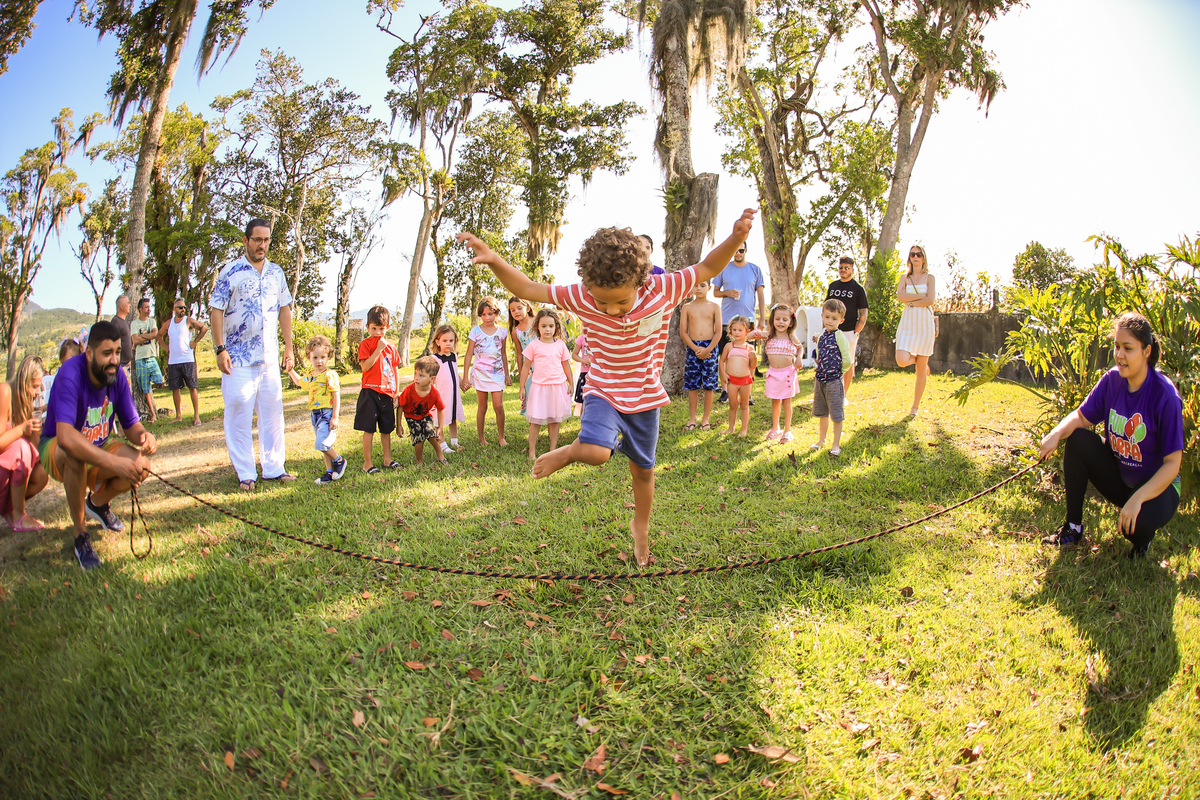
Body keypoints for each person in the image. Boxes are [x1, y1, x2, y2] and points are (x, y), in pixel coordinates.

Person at [458, 208, 757, 566]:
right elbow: (526, 287)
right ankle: (568, 451)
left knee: (643, 471)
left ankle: (641, 527)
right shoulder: (581, 295)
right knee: (598, 452)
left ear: (641, 281)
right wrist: (493, 260)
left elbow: (707, 267)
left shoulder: (663, 288)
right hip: (603, 388)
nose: (611, 310)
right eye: (602, 301)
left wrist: (736, 237)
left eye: (621, 300)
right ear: (588, 288)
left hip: (645, 396)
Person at [1038, 312, 1184, 559]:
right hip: (1121, 476)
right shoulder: (1112, 381)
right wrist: (1055, 434)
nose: (1119, 355)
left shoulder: (1165, 396)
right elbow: (1081, 417)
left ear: (1146, 351)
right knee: (1077, 438)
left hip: (1158, 487)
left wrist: (1138, 498)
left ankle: (1142, 542)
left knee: (1136, 527)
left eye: (1128, 348)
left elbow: (1172, 464)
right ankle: (1072, 528)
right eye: (1117, 346)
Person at [39, 321, 157, 570]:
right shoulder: (70, 374)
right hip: (56, 449)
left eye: (117, 351)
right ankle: (80, 535)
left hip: (99, 445)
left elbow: (131, 425)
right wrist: (115, 463)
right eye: (107, 353)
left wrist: (145, 436)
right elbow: (66, 438)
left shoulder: (118, 377)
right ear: (89, 353)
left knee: (141, 466)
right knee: (75, 452)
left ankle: (97, 503)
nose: (114, 360)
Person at [210, 218, 295, 491]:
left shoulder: (276, 273)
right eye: (257, 239)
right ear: (246, 240)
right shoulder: (229, 272)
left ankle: (274, 468)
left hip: (269, 357)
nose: (262, 245)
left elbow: (284, 310)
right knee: (238, 414)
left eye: (266, 240)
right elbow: (216, 310)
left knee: (272, 415)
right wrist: (220, 348)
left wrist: (289, 348)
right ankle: (246, 472)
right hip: (237, 358)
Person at [286, 335, 346, 485]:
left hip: (326, 413)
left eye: (323, 357)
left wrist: (335, 416)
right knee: (325, 445)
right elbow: (300, 382)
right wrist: (290, 371)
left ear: (328, 357)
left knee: (322, 444)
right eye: (315, 357)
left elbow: (336, 394)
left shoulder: (329, 374)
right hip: (315, 415)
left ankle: (339, 460)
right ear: (309, 357)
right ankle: (329, 472)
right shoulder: (311, 376)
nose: (319, 361)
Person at [712, 242, 765, 402]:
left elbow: (761, 296)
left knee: (748, 356)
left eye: (741, 250)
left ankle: (747, 392)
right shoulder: (723, 268)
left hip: (748, 319)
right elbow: (715, 292)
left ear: (745, 251)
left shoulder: (755, 269)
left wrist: (762, 318)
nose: (738, 253)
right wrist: (727, 292)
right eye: (735, 250)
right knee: (725, 355)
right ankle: (725, 390)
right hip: (727, 320)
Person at [0, 356, 49, 530]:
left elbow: (34, 451)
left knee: (42, 473)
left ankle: (10, 510)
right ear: (23, 381)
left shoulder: (25, 404)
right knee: (22, 447)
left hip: (5, 477)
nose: (38, 392)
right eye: (35, 386)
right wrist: (22, 429)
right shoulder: (5, 391)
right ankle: (19, 516)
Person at [518, 309, 574, 461]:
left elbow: (566, 365)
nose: (547, 329)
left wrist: (571, 383)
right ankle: (532, 451)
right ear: (537, 327)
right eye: (544, 326)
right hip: (539, 388)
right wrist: (522, 387)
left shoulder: (560, 345)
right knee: (535, 420)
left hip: (558, 386)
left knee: (555, 419)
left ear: (556, 327)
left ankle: (552, 450)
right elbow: (525, 367)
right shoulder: (534, 345)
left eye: (550, 326)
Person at [355, 305, 401, 473]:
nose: (377, 332)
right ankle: (367, 463)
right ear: (368, 327)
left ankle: (387, 460)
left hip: (387, 393)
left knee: (387, 428)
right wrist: (378, 350)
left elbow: (395, 368)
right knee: (369, 428)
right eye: (374, 328)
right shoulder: (365, 345)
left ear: (387, 327)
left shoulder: (391, 347)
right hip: (370, 392)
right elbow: (365, 367)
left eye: (381, 329)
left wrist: (396, 392)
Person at [894, 244, 937, 417]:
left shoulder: (930, 277)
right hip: (908, 322)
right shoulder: (905, 277)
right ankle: (920, 361)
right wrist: (920, 297)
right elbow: (900, 297)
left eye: (919, 254)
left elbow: (931, 300)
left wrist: (910, 301)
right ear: (909, 257)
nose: (916, 257)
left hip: (925, 323)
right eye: (913, 254)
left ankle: (915, 406)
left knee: (920, 371)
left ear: (924, 257)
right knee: (901, 359)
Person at [462, 297, 509, 447]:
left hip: (497, 374)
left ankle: (501, 437)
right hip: (480, 373)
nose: (487, 318)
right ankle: (481, 438)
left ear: (496, 313)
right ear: (480, 316)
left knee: (498, 406)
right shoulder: (475, 331)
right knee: (482, 407)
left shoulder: (502, 331)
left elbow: (503, 354)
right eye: (483, 315)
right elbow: (469, 354)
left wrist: (507, 374)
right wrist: (465, 377)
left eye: (490, 314)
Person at [810, 299, 853, 456]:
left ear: (841, 320)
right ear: (822, 316)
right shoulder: (822, 335)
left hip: (834, 381)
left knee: (836, 414)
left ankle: (836, 444)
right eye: (827, 317)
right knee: (822, 413)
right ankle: (821, 440)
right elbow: (819, 354)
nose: (830, 321)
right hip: (820, 379)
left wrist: (838, 372)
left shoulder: (839, 336)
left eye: (834, 318)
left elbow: (847, 359)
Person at [157, 298, 207, 426]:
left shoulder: (188, 321)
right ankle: (178, 415)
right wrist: (165, 347)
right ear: (174, 309)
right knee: (175, 388)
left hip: (187, 360)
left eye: (184, 307)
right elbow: (159, 335)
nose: (182, 309)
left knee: (192, 387)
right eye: (180, 307)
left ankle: (197, 416)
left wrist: (195, 341)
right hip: (173, 361)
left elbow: (204, 328)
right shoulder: (169, 323)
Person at [680, 279, 721, 432]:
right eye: (696, 285)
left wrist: (707, 349)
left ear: (709, 288)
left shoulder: (715, 307)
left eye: (702, 285)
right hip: (693, 348)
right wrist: (695, 348)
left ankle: (705, 419)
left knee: (709, 386)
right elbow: (683, 332)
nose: (699, 288)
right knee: (693, 385)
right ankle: (692, 419)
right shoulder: (687, 307)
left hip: (710, 349)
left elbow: (718, 332)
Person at [825, 256, 868, 401]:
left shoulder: (858, 288)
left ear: (852, 269)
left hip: (849, 331)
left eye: (846, 267)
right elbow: (826, 308)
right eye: (841, 267)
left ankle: (843, 395)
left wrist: (856, 332)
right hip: (832, 330)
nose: (843, 270)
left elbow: (863, 312)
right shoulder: (833, 286)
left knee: (848, 362)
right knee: (830, 361)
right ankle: (830, 393)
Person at [762, 303, 804, 442]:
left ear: (791, 322)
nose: (781, 322)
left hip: (788, 374)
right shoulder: (769, 336)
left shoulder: (791, 337)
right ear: (772, 320)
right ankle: (775, 428)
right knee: (775, 401)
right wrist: (758, 333)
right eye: (777, 319)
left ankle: (787, 430)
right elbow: (750, 335)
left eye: (785, 319)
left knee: (787, 402)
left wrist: (798, 358)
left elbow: (800, 348)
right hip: (774, 374)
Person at [396, 356, 448, 466]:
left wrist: (440, 428)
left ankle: (440, 455)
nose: (416, 378)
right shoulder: (409, 390)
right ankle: (419, 460)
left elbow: (440, 409)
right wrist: (399, 424)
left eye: (421, 375)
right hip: (411, 416)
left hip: (426, 414)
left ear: (432, 379)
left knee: (430, 432)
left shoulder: (434, 393)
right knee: (418, 437)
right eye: (415, 374)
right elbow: (400, 406)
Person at [430, 324, 466, 454]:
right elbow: (431, 377)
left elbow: (455, 373)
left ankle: (454, 440)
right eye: (444, 341)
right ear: (437, 342)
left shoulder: (454, 356)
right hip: (441, 393)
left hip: (454, 393)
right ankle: (442, 444)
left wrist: (462, 383)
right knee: (440, 418)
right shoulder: (435, 359)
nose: (448, 344)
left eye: (451, 341)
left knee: (453, 416)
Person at [719, 316, 757, 437]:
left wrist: (754, 358)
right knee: (733, 405)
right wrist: (723, 375)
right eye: (734, 329)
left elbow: (752, 367)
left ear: (747, 331)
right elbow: (722, 361)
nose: (737, 332)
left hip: (745, 381)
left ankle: (744, 429)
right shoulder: (729, 346)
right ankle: (731, 428)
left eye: (740, 330)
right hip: (732, 381)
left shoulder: (750, 348)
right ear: (730, 330)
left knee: (744, 405)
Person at [130, 298, 164, 422]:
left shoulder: (152, 321)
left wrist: (142, 336)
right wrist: (145, 336)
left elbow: (155, 334)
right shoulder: (135, 324)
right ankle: (152, 413)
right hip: (140, 358)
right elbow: (135, 340)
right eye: (146, 307)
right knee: (145, 388)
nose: (148, 309)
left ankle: (156, 409)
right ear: (140, 309)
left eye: (149, 307)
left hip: (151, 357)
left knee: (159, 379)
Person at [508, 296, 536, 414]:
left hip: (544, 365)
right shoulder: (516, 331)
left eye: (519, 308)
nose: (516, 312)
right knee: (532, 398)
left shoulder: (538, 322)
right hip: (528, 369)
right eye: (513, 310)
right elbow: (519, 354)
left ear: (528, 307)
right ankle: (533, 427)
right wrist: (521, 374)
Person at [41, 338, 84, 412]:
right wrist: (42, 409)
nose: (65, 369)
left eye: (68, 364)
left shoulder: (83, 381)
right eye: (63, 364)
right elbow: (57, 401)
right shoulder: (62, 380)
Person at [110, 295, 133, 386]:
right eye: (128, 303)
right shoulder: (116, 322)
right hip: (121, 365)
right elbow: (112, 343)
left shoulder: (123, 322)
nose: (130, 305)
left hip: (126, 365)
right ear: (121, 306)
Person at [571, 331, 591, 417]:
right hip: (585, 374)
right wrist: (583, 360)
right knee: (584, 401)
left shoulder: (600, 337)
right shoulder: (581, 338)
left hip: (597, 374)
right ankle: (583, 426)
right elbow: (574, 355)